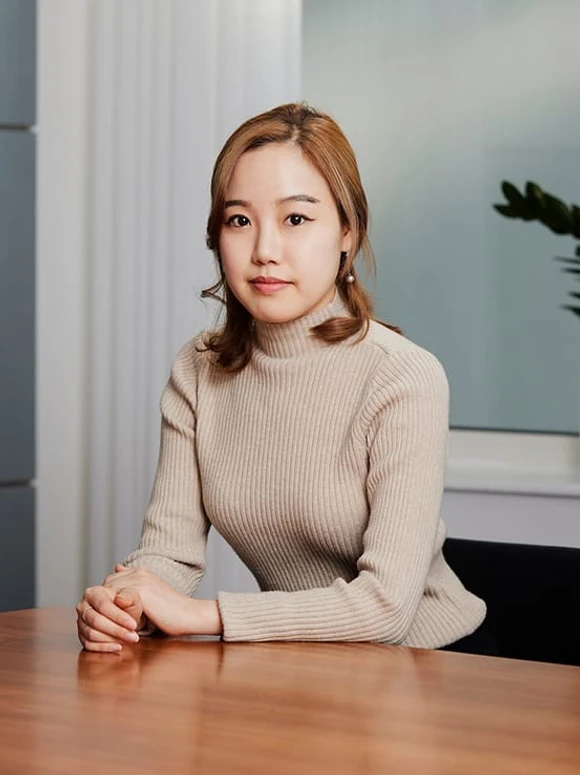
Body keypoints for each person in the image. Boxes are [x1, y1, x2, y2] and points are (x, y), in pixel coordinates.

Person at [76, 102, 487, 654]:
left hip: (428, 669)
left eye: (296, 219)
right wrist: (127, 605)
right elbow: (169, 555)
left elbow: (386, 608)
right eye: (239, 220)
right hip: (298, 663)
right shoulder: (198, 368)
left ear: (348, 231)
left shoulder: (403, 377)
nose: (265, 251)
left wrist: (201, 614)